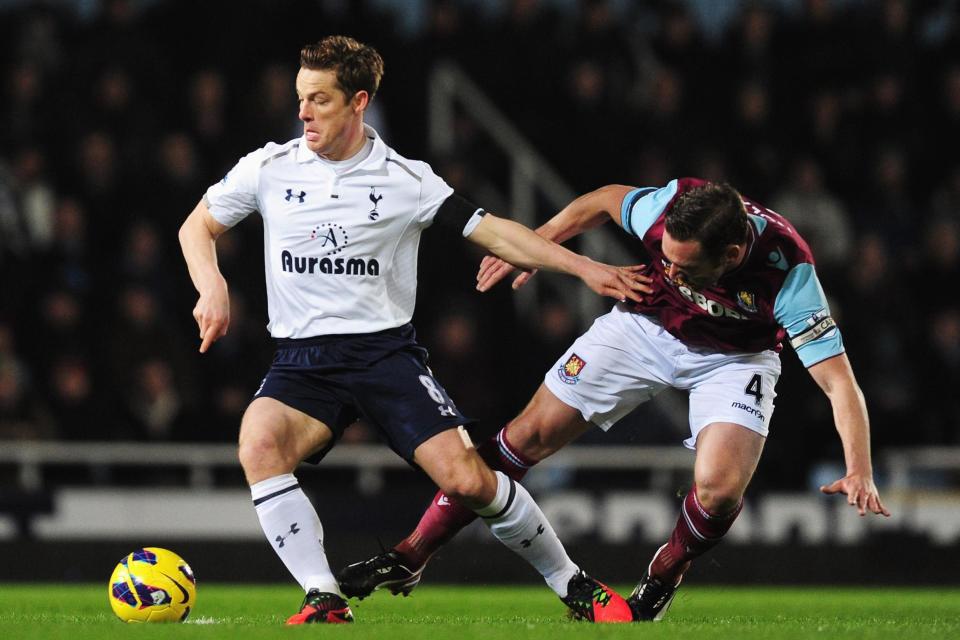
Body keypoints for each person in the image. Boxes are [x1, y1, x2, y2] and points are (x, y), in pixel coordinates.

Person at [178, 36, 645, 625]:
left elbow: (494, 230)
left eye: (319, 100)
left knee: (470, 480)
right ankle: (322, 596)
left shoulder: (404, 179)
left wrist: (584, 267)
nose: (302, 113)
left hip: (384, 356)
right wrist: (211, 286)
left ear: (359, 102)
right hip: (303, 360)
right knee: (259, 445)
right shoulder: (269, 167)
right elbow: (197, 227)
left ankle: (571, 581)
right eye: (300, 98)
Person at [337, 178, 892, 621]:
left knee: (720, 492)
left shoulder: (789, 273)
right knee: (524, 436)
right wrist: (542, 242)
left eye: (685, 267)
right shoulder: (668, 208)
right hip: (644, 324)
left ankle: (665, 574)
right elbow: (605, 200)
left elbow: (840, 382)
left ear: (731, 254)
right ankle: (410, 555)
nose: (671, 270)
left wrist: (859, 468)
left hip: (736, 359)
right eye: (666, 258)